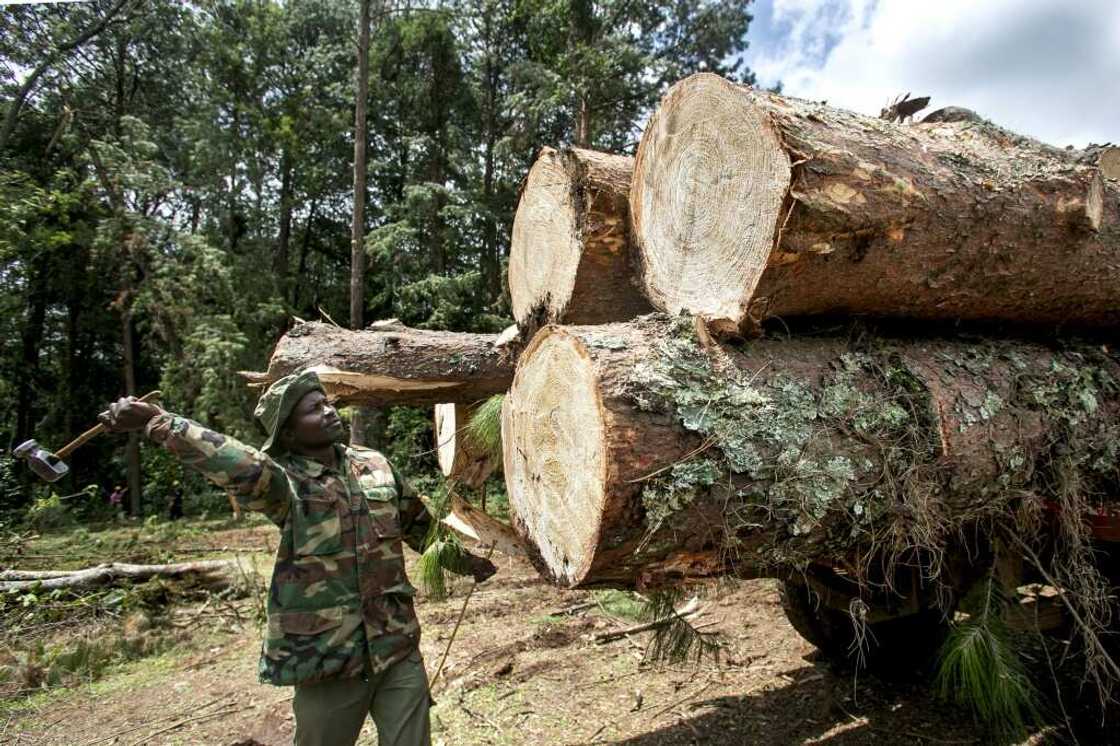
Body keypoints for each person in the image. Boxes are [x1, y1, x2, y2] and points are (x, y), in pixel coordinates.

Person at [98, 370, 496, 746]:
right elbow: (237, 463)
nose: (328, 411)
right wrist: (160, 421)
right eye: (312, 409)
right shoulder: (283, 482)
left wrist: (468, 563)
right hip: (329, 662)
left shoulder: (375, 466)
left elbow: (420, 527)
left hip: (397, 649)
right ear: (288, 431)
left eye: (326, 403)